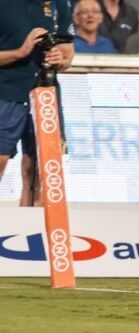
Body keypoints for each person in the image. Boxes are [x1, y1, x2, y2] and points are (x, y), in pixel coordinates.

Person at [0, 0, 74, 207]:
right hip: (5, 92)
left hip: (45, 94)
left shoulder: (61, 5)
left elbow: (68, 54)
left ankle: (30, 230)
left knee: (41, 168)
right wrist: (20, 52)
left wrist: (61, 58)